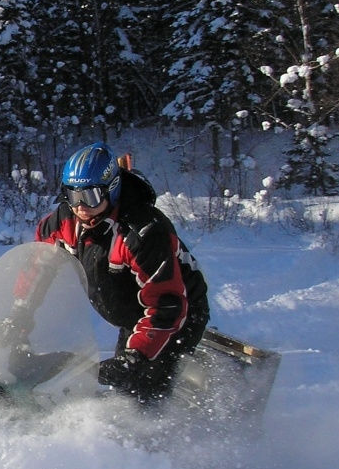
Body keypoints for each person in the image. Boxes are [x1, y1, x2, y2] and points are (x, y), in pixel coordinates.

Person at [34, 142, 209, 403]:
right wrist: (18, 312)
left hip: (177, 315)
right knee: (122, 390)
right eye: (73, 195)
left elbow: (167, 304)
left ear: (111, 190)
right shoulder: (64, 221)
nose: (81, 206)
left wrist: (134, 358)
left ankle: (166, 438)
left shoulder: (143, 233)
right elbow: (36, 268)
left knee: (141, 392)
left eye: (90, 196)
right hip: (135, 315)